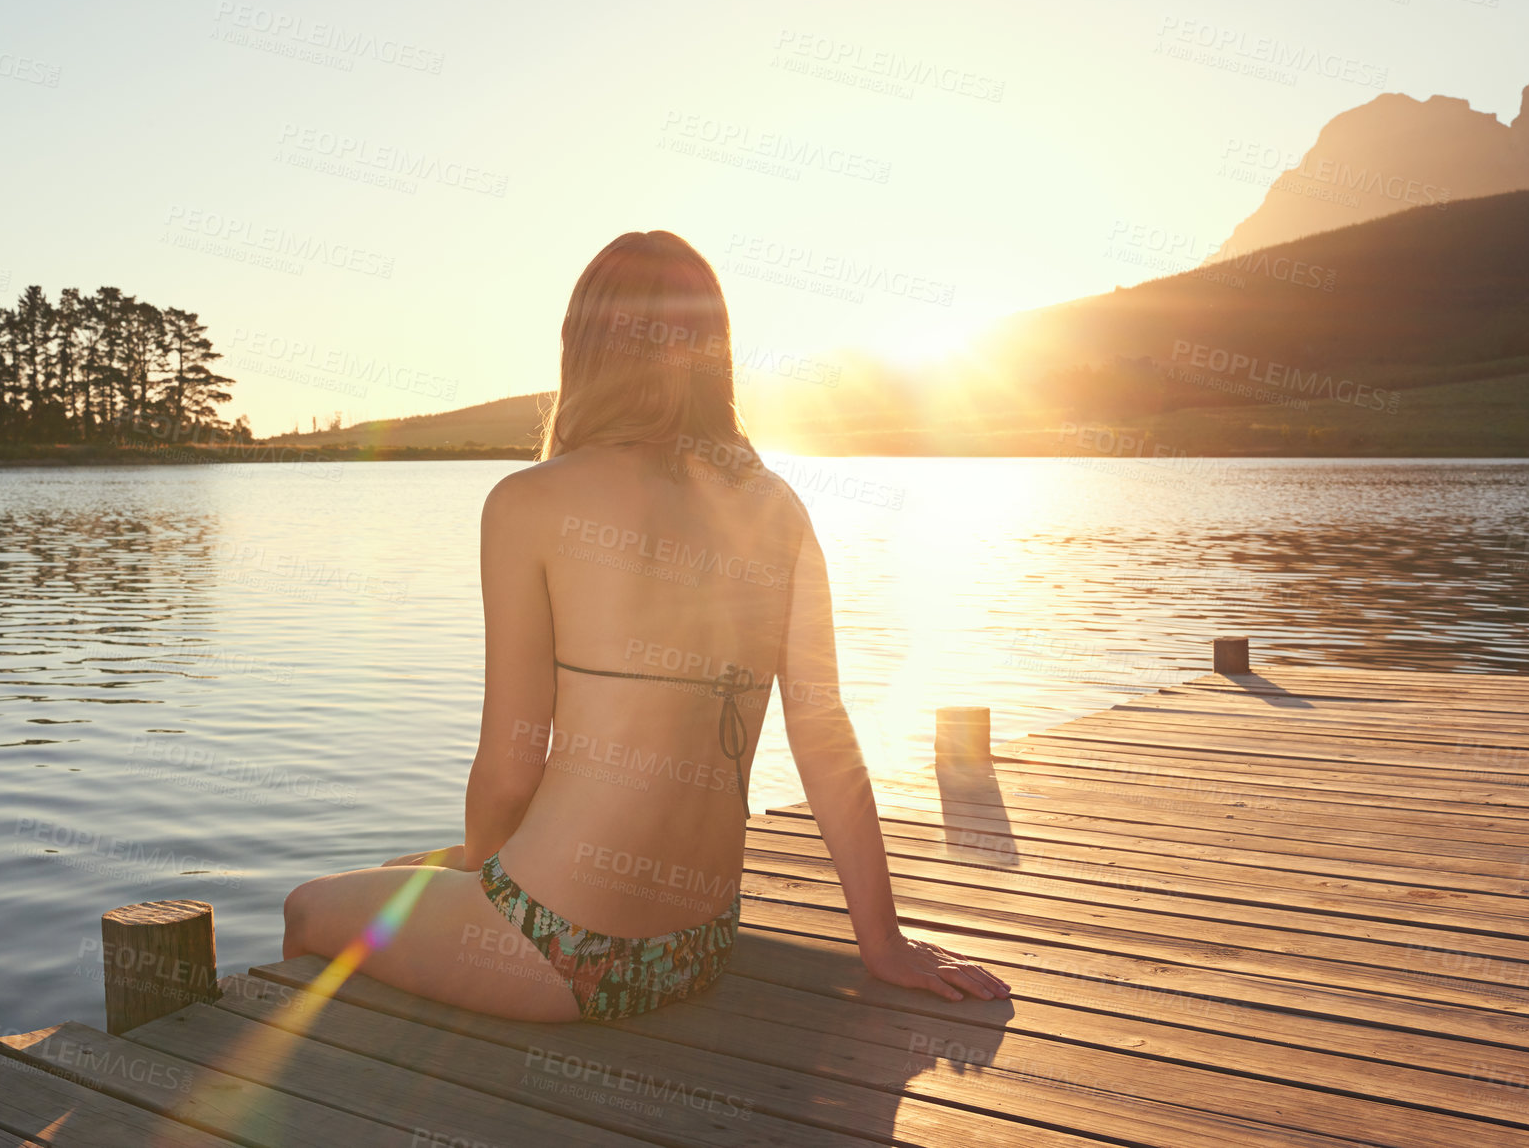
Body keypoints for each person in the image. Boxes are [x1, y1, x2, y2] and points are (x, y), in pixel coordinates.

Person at [281, 230, 1011, 1022]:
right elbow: (823, 734)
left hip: (556, 944)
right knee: (405, 871)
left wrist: (480, 885)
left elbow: (509, 768)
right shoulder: (776, 505)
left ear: (585, 347)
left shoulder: (529, 502)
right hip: (694, 946)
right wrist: (883, 940)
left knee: (309, 908)